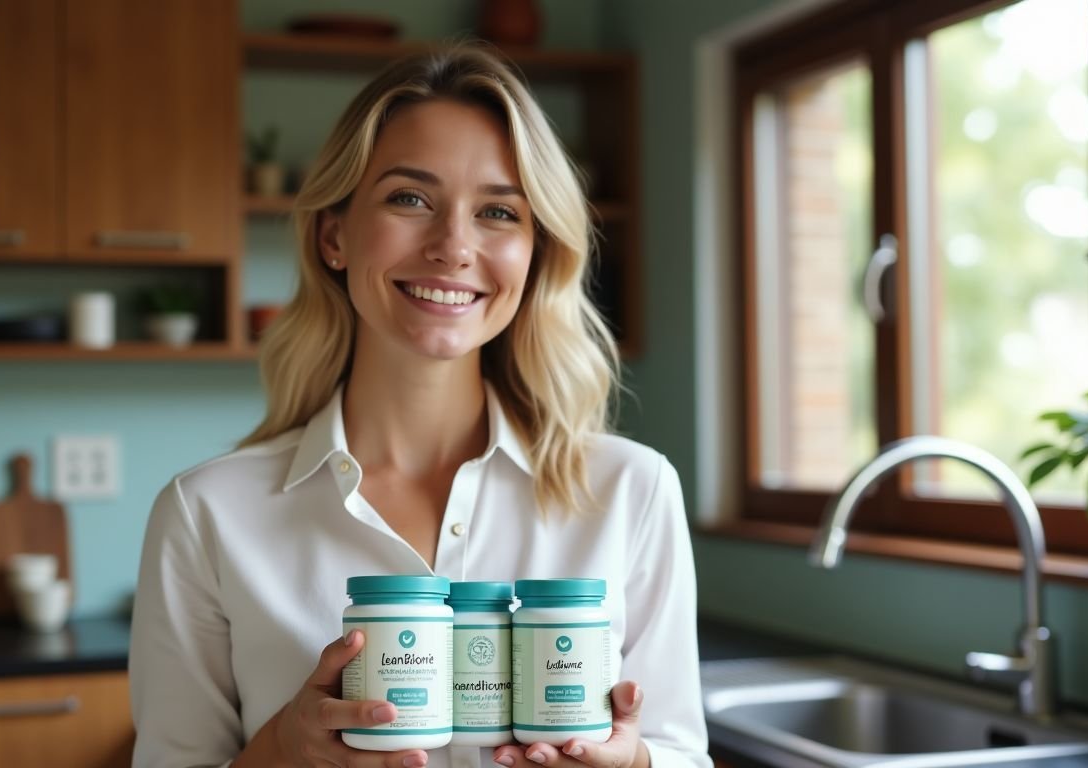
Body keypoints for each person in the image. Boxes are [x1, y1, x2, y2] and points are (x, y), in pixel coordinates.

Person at [129, 44, 712, 768]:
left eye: (499, 211)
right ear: (334, 234)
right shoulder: (205, 513)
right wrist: (283, 749)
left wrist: (631, 762)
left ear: (534, 258)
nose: (454, 246)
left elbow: (681, 751)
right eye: (410, 199)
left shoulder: (631, 490)